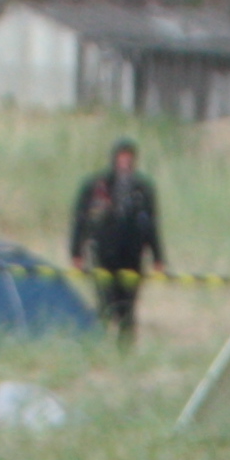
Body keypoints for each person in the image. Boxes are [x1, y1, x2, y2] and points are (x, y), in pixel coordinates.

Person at [69, 140, 165, 344]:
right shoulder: (96, 186)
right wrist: (76, 252)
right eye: (122, 158)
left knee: (127, 307)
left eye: (129, 158)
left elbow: (151, 225)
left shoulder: (143, 189)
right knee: (105, 304)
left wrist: (158, 257)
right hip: (104, 254)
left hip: (132, 256)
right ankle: (99, 345)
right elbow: (81, 220)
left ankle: (125, 348)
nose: (125, 163)